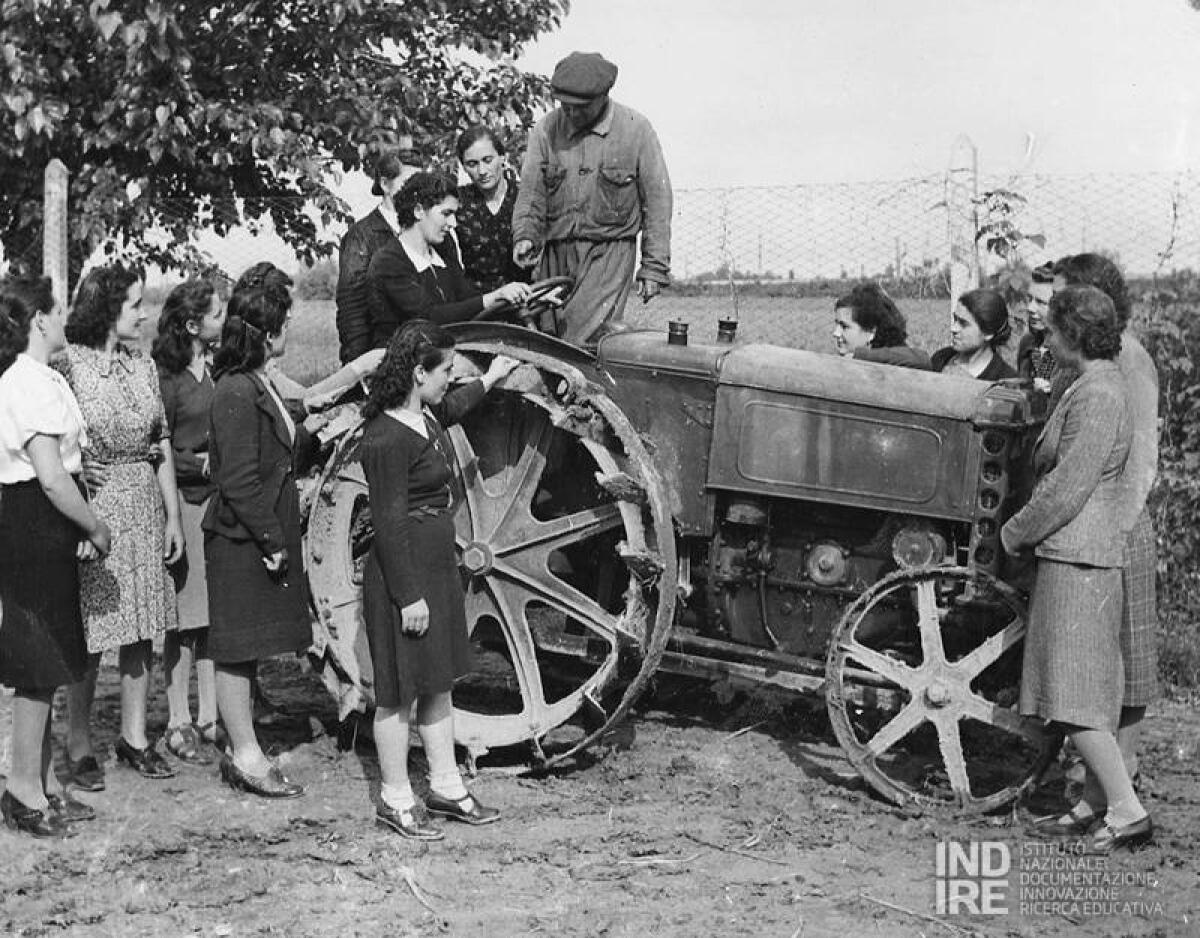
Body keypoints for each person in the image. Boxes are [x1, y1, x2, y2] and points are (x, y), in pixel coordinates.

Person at [1001, 285, 1151, 853]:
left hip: (1079, 557)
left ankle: (1127, 810)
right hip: (1077, 555)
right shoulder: (1093, 383)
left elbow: (1067, 488)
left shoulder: (1099, 394)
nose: (1044, 334)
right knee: (1081, 688)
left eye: (1053, 328)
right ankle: (1094, 802)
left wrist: (1015, 533)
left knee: (1073, 694)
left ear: (1073, 335)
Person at [358, 321, 518, 838]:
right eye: (445, 370)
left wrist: (492, 378)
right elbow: (387, 522)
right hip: (404, 577)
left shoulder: (423, 415)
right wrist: (408, 598)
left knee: (437, 683)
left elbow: (454, 407)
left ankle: (446, 787)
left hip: (435, 567)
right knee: (397, 692)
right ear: (417, 372)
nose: (451, 377)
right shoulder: (384, 437)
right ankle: (395, 798)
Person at [58, 265, 184, 789]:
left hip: (145, 505)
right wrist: (72, 464)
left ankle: (134, 736)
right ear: (107, 308)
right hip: (97, 511)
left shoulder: (144, 366)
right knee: (93, 629)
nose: (145, 313)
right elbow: (47, 438)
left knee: (141, 628)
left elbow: (161, 443)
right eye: (135, 304)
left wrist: (173, 514)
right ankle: (79, 740)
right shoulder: (69, 367)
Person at [0, 275, 110, 837]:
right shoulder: (28, 383)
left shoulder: (40, 378)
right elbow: (48, 479)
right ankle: (21, 790)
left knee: (45, 658)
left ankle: (42, 784)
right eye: (59, 309)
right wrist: (95, 526)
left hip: (41, 525)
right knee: (37, 660)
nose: (66, 317)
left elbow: (59, 466)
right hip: (35, 526)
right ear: (39, 320)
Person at [1052, 253, 1159, 789]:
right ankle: (1103, 784)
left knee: (1128, 659)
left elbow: (1141, 458)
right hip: (1097, 526)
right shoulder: (1076, 364)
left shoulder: (1131, 363)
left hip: (1120, 527)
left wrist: (1114, 531)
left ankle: (1123, 775)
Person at [203, 285, 311, 798]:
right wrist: (272, 540)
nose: (290, 329)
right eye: (285, 322)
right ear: (268, 334)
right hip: (240, 539)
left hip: (253, 534)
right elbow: (239, 480)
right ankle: (245, 757)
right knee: (234, 647)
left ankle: (245, 747)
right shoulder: (235, 390)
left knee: (244, 647)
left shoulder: (255, 383)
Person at [511, 51, 672, 343]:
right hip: (555, 253)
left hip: (609, 255)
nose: (570, 113)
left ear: (603, 96)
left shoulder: (636, 129)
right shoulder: (546, 129)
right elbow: (531, 193)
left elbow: (658, 202)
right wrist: (525, 235)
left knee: (584, 342)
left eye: (579, 107)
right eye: (565, 105)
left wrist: (653, 267)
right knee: (549, 338)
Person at [151, 279, 225, 762]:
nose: (224, 319)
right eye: (216, 313)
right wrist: (198, 465)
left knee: (212, 618)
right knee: (181, 620)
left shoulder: (218, 368)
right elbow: (158, 449)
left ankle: (212, 715)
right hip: (183, 506)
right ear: (192, 324)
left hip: (218, 507)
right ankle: (178, 718)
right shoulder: (169, 380)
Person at [365, 172, 530, 348]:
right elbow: (429, 317)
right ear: (418, 211)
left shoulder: (442, 253)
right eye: (446, 213)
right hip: (406, 363)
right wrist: (495, 296)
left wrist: (524, 298)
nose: (454, 223)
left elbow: (470, 301)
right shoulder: (388, 262)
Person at [335, 148, 411, 364]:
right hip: (379, 356)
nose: (417, 192)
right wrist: (360, 365)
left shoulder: (431, 230)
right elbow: (352, 310)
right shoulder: (361, 236)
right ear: (386, 184)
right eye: (408, 184)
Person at [453, 126, 530, 295]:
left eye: (487, 160)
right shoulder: (457, 203)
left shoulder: (525, 197)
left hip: (529, 298)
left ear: (502, 157)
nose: (481, 171)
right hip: (481, 306)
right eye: (472, 164)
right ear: (464, 167)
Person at [832, 283, 931, 369]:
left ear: (872, 332)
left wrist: (860, 356)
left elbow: (923, 359)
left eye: (844, 326)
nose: (835, 333)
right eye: (837, 324)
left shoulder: (896, 360)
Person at [931, 288, 1017, 380]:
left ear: (988, 333)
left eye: (963, 323)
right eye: (955, 319)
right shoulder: (941, 358)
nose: (953, 328)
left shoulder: (1004, 380)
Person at [1017, 263, 1057, 391]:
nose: (1030, 308)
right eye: (1030, 299)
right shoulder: (1027, 344)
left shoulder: (1072, 354)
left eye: (1041, 302)